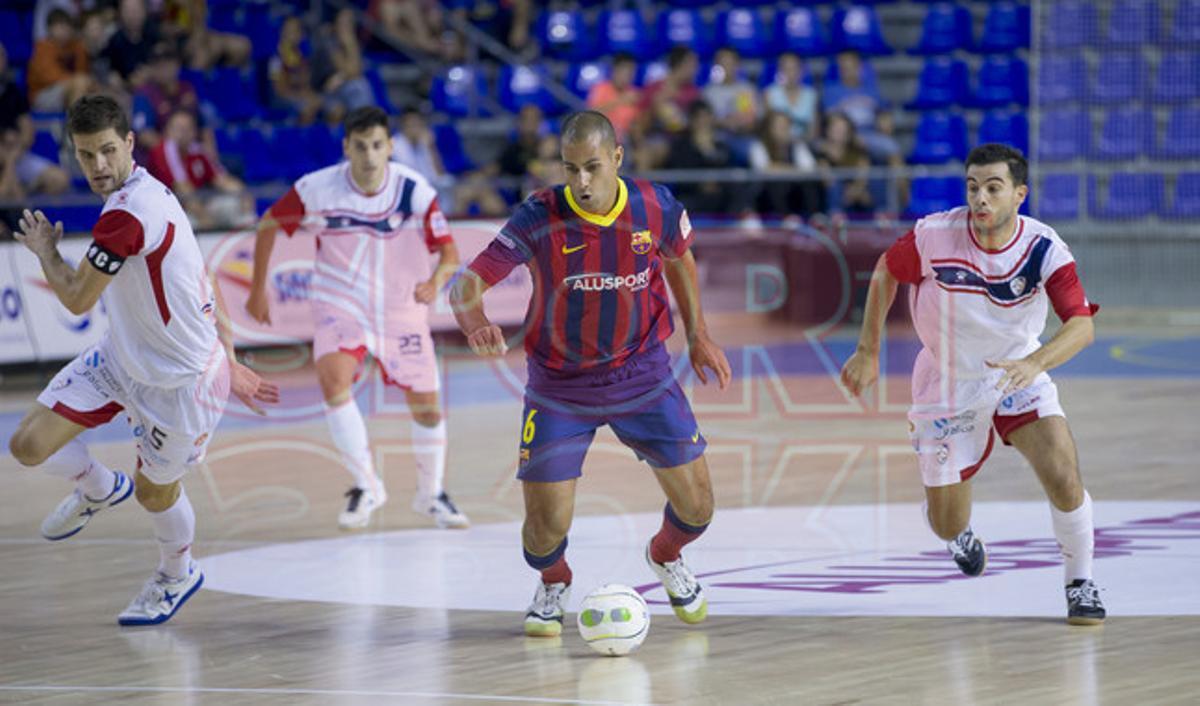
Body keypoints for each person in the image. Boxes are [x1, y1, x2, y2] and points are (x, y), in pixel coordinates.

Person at [450, 111, 731, 637]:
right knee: (543, 530)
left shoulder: (656, 205)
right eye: (570, 169)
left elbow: (681, 261)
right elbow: (465, 285)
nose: (581, 182)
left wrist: (698, 335)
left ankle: (665, 555)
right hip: (560, 386)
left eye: (593, 168)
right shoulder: (539, 216)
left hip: (643, 372)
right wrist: (475, 322)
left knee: (699, 507)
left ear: (618, 158)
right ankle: (554, 581)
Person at [7, 94, 277, 626]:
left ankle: (177, 574)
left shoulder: (132, 213)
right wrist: (229, 351)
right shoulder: (151, 191)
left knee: (156, 493)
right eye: (86, 156)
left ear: (130, 143)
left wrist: (45, 252)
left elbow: (79, 298)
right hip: (122, 359)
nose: (99, 165)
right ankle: (101, 489)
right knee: (27, 444)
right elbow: (202, 277)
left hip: (180, 384)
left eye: (108, 150)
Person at [839, 144, 1106, 625]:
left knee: (1064, 476)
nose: (980, 198)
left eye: (993, 188)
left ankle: (1080, 582)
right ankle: (958, 533)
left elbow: (1082, 326)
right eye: (973, 186)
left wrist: (1035, 362)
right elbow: (885, 271)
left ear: (1019, 195)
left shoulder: (1043, 248)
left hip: (1016, 374)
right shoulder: (934, 235)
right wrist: (868, 350)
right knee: (946, 521)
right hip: (947, 382)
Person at [245, 106, 470, 531]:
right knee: (333, 377)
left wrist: (436, 281)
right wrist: (258, 288)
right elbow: (269, 223)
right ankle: (366, 484)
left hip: (400, 307)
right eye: (361, 146)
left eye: (377, 145)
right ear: (346, 146)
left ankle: (431, 494)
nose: (369, 155)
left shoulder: (414, 191)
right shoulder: (316, 189)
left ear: (390, 147)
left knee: (426, 408)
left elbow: (450, 253)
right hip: (339, 301)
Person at [28, 8, 94, 112]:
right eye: (60, 26)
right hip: (43, 94)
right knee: (79, 83)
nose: (64, 30)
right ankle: (76, 126)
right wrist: (76, 80)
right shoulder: (42, 48)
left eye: (67, 26)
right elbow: (51, 77)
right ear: (50, 29)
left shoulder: (77, 46)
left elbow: (83, 72)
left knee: (106, 94)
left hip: (72, 88)